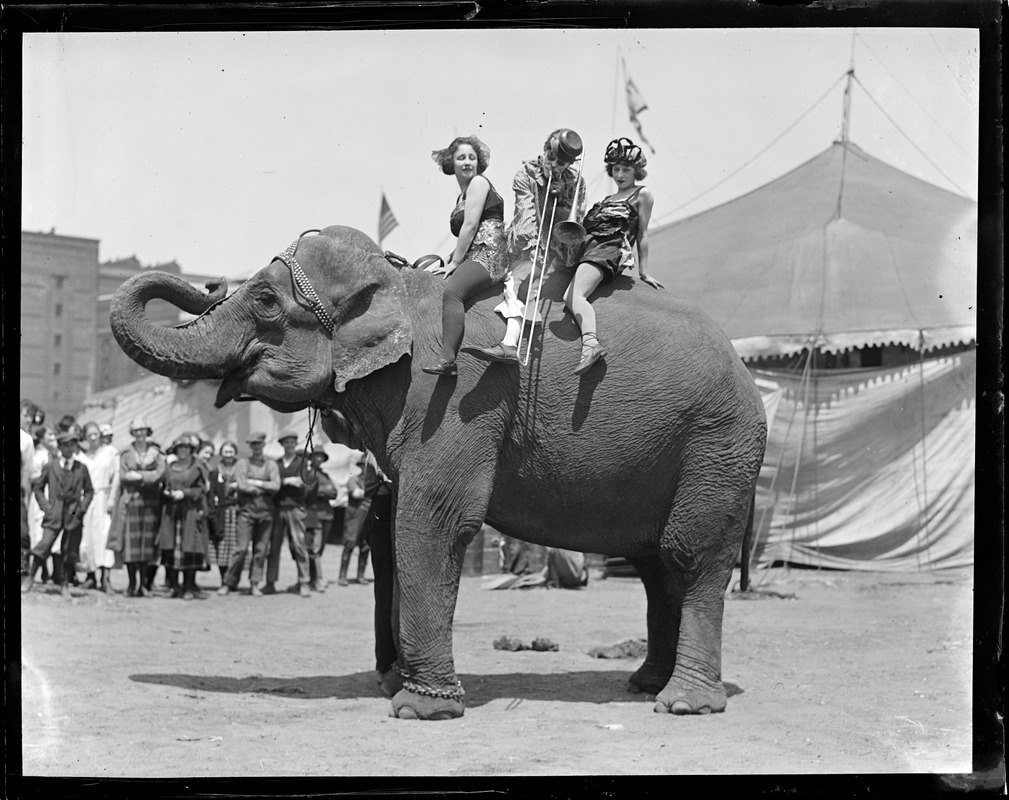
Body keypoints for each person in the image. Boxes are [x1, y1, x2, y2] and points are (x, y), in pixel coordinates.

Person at [468, 128, 586, 363]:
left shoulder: (576, 182)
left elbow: (575, 220)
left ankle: (509, 344)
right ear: (544, 150)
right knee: (518, 278)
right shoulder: (526, 174)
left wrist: (561, 200)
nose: (555, 165)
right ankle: (513, 340)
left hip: (559, 248)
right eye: (551, 157)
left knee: (517, 285)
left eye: (562, 163)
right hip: (528, 243)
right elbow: (526, 213)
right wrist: (532, 247)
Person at [562, 137, 664, 375]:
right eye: (616, 169)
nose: (620, 174)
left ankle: (591, 345)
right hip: (589, 247)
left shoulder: (642, 194)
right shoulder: (606, 201)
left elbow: (643, 233)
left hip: (609, 248)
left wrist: (644, 271)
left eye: (626, 169)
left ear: (636, 171)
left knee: (573, 295)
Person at [421, 135, 508, 377]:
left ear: (478, 162)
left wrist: (456, 262)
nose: (467, 162)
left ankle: (448, 361)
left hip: (489, 254)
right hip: (474, 253)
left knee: (453, 292)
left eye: (472, 157)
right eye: (461, 158)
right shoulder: (462, 196)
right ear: (452, 164)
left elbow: (470, 225)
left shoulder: (479, 183)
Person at [22, 430, 94, 598]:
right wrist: (46, 507)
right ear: (60, 448)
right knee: (44, 545)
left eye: (73, 445)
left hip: (73, 515)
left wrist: (79, 510)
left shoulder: (81, 468)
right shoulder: (51, 466)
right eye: (67, 445)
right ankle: (30, 578)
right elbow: (38, 488)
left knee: (70, 551)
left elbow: (89, 492)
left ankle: (65, 584)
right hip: (54, 513)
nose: (70, 449)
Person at [107, 418, 165, 597]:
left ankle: (144, 585)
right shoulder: (125, 453)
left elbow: (159, 475)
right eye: (137, 430)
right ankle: (132, 585)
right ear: (132, 433)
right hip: (131, 501)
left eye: (143, 430)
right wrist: (148, 475)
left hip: (150, 502)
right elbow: (124, 476)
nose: (140, 433)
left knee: (146, 545)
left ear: (148, 432)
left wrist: (139, 477)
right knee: (131, 545)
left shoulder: (156, 452)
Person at [220, 432, 280, 596]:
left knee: (261, 550)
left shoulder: (271, 465)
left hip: (266, 512)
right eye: (253, 444)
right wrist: (261, 487)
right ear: (250, 446)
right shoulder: (242, 463)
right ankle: (229, 582)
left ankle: (254, 583)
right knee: (241, 549)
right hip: (246, 511)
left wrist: (255, 482)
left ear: (263, 445)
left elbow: (276, 486)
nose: (256, 447)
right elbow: (242, 485)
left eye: (259, 444)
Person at [157, 434, 210, 599]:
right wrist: (166, 492)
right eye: (180, 448)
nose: (183, 451)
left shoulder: (197, 467)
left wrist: (185, 493)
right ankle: (174, 586)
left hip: (190, 512)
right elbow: (163, 485)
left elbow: (202, 490)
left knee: (190, 548)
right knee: (171, 549)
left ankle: (188, 587)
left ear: (191, 450)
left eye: (186, 448)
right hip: (172, 513)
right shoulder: (170, 467)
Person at [265, 431, 314, 597]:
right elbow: (273, 483)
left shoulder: (302, 462)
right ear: (282, 444)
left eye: (293, 442)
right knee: (274, 546)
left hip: (296, 508)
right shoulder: (276, 464)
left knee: (299, 546)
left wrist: (293, 482)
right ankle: (270, 582)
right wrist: (287, 481)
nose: (290, 445)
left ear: (296, 444)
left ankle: (304, 582)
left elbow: (305, 482)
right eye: (287, 442)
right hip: (278, 508)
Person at [77, 421, 119, 591]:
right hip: (86, 499)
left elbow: (116, 475)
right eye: (89, 435)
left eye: (96, 433)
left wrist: (112, 499)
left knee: (104, 535)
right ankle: (91, 576)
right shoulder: (81, 456)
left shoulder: (111, 452)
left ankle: (106, 579)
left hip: (104, 497)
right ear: (85, 437)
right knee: (87, 539)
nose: (93, 437)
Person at [339, 451, 390, 586]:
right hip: (354, 516)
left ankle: (360, 575)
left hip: (368, 514)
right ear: (360, 466)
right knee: (349, 543)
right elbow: (355, 493)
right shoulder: (353, 479)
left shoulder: (375, 480)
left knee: (365, 546)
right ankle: (342, 575)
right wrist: (372, 491)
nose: (365, 468)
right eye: (363, 466)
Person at [27, 424, 59, 583]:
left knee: (48, 535)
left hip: (51, 495)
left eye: (54, 435)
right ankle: (42, 571)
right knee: (39, 534)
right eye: (50, 435)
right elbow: (31, 476)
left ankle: (50, 572)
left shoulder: (53, 454)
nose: (53, 438)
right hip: (41, 496)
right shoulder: (38, 455)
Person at [207, 440, 241, 589]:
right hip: (221, 513)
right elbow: (212, 493)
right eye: (226, 452)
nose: (228, 455)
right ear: (221, 454)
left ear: (235, 453)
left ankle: (233, 580)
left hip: (238, 511)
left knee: (237, 547)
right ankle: (224, 580)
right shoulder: (215, 472)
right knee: (221, 547)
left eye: (231, 452)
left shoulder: (241, 469)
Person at [303, 449, 337, 592]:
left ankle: (313, 578)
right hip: (314, 514)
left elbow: (335, 492)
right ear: (311, 458)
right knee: (314, 548)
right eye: (316, 456)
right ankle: (317, 580)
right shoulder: (309, 474)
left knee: (320, 548)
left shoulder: (326, 475)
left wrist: (324, 491)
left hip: (327, 514)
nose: (319, 458)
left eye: (321, 456)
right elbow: (309, 492)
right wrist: (324, 491)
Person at [20, 400, 40, 576]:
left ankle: (23, 571)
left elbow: (27, 471)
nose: (28, 420)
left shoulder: (26, 440)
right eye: (25, 416)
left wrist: (25, 498)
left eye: (31, 418)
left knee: (23, 534)